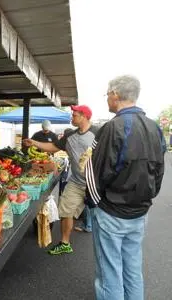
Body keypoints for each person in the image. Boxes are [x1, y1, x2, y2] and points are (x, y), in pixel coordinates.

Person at [85, 75, 166, 300]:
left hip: (111, 211)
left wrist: (94, 205)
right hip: (139, 212)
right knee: (132, 269)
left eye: (107, 94)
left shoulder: (111, 128)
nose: (107, 99)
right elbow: (159, 171)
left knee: (109, 272)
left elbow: (93, 171)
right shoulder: (155, 128)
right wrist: (146, 200)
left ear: (116, 95)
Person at [23, 105, 97, 255]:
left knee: (101, 218)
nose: (72, 117)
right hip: (76, 182)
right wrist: (34, 143)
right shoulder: (70, 136)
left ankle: (102, 249)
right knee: (65, 210)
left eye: (75, 115)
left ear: (84, 116)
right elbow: (53, 146)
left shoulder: (99, 133)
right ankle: (65, 242)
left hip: (96, 183)